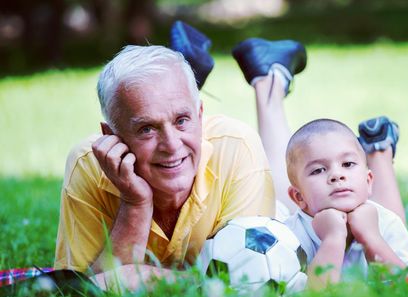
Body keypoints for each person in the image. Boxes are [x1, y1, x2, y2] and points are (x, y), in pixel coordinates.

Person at [54, 36, 276, 274]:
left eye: (182, 120)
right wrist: (134, 203)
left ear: (200, 116)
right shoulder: (88, 164)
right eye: (146, 129)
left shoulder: (236, 146)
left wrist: (147, 279)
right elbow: (86, 292)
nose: (170, 145)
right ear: (111, 135)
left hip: (279, 206)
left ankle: (270, 78)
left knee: (292, 179)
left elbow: (247, 278)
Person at [230, 37, 408, 288]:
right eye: (320, 170)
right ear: (298, 198)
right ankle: (378, 146)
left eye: (348, 165)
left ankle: (377, 151)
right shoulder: (289, 237)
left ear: (368, 180)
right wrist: (333, 238)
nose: (336, 176)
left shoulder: (385, 223)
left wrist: (371, 237)